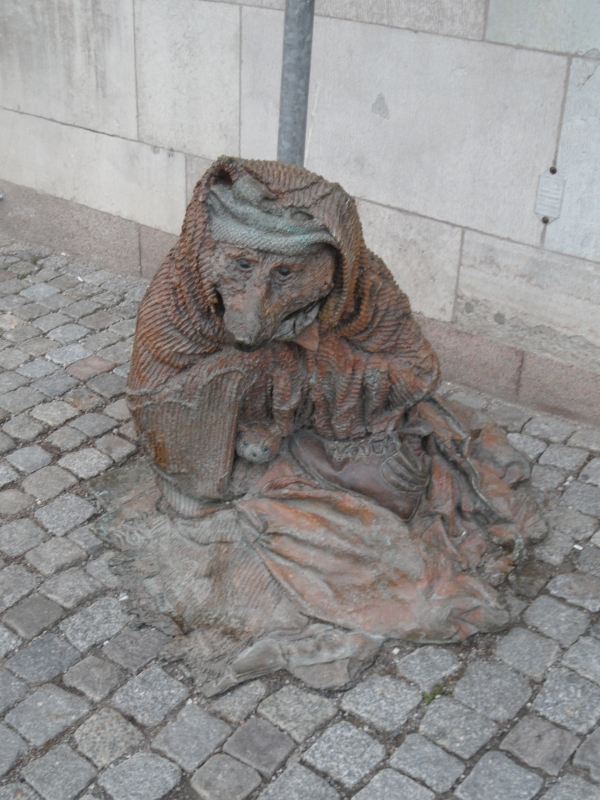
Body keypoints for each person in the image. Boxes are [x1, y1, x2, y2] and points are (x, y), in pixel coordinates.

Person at [126, 157, 546, 692]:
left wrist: (311, 368)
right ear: (208, 252)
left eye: (285, 274)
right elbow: (158, 406)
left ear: (333, 267)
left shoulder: (363, 286)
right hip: (241, 448)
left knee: (403, 483)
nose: (254, 302)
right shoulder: (176, 300)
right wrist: (246, 386)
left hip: (338, 433)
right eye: (241, 266)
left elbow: (416, 370)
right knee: (228, 512)